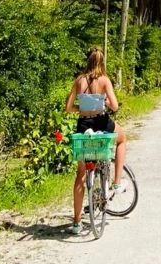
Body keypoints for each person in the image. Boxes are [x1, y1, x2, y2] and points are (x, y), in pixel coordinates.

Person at [66, 47, 127, 234]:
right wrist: (104, 103)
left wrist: (83, 109)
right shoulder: (104, 80)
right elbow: (115, 106)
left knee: (80, 175)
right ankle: (116, 182)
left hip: (84, 126)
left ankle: (76, 223)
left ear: (87, 61)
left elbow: (69, 108)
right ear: (101, 62)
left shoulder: (79, 80)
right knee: (122, 138)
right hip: (102, 123)